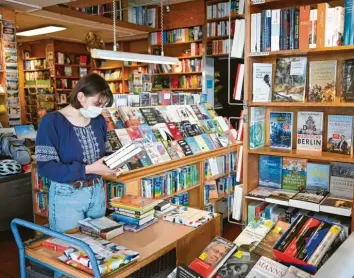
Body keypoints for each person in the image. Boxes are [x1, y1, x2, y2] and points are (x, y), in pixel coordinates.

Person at [35, 73, 119, 233]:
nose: (100, 109)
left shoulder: (99, 121)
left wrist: (117, 161)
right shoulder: (52, 122)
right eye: (97, 103)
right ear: (81, 96)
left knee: (98, 246)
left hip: (97, 192)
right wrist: (88, 169)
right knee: (70, 248)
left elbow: (106, 151)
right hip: (67, 194)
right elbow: (45, 167)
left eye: (103, 105)